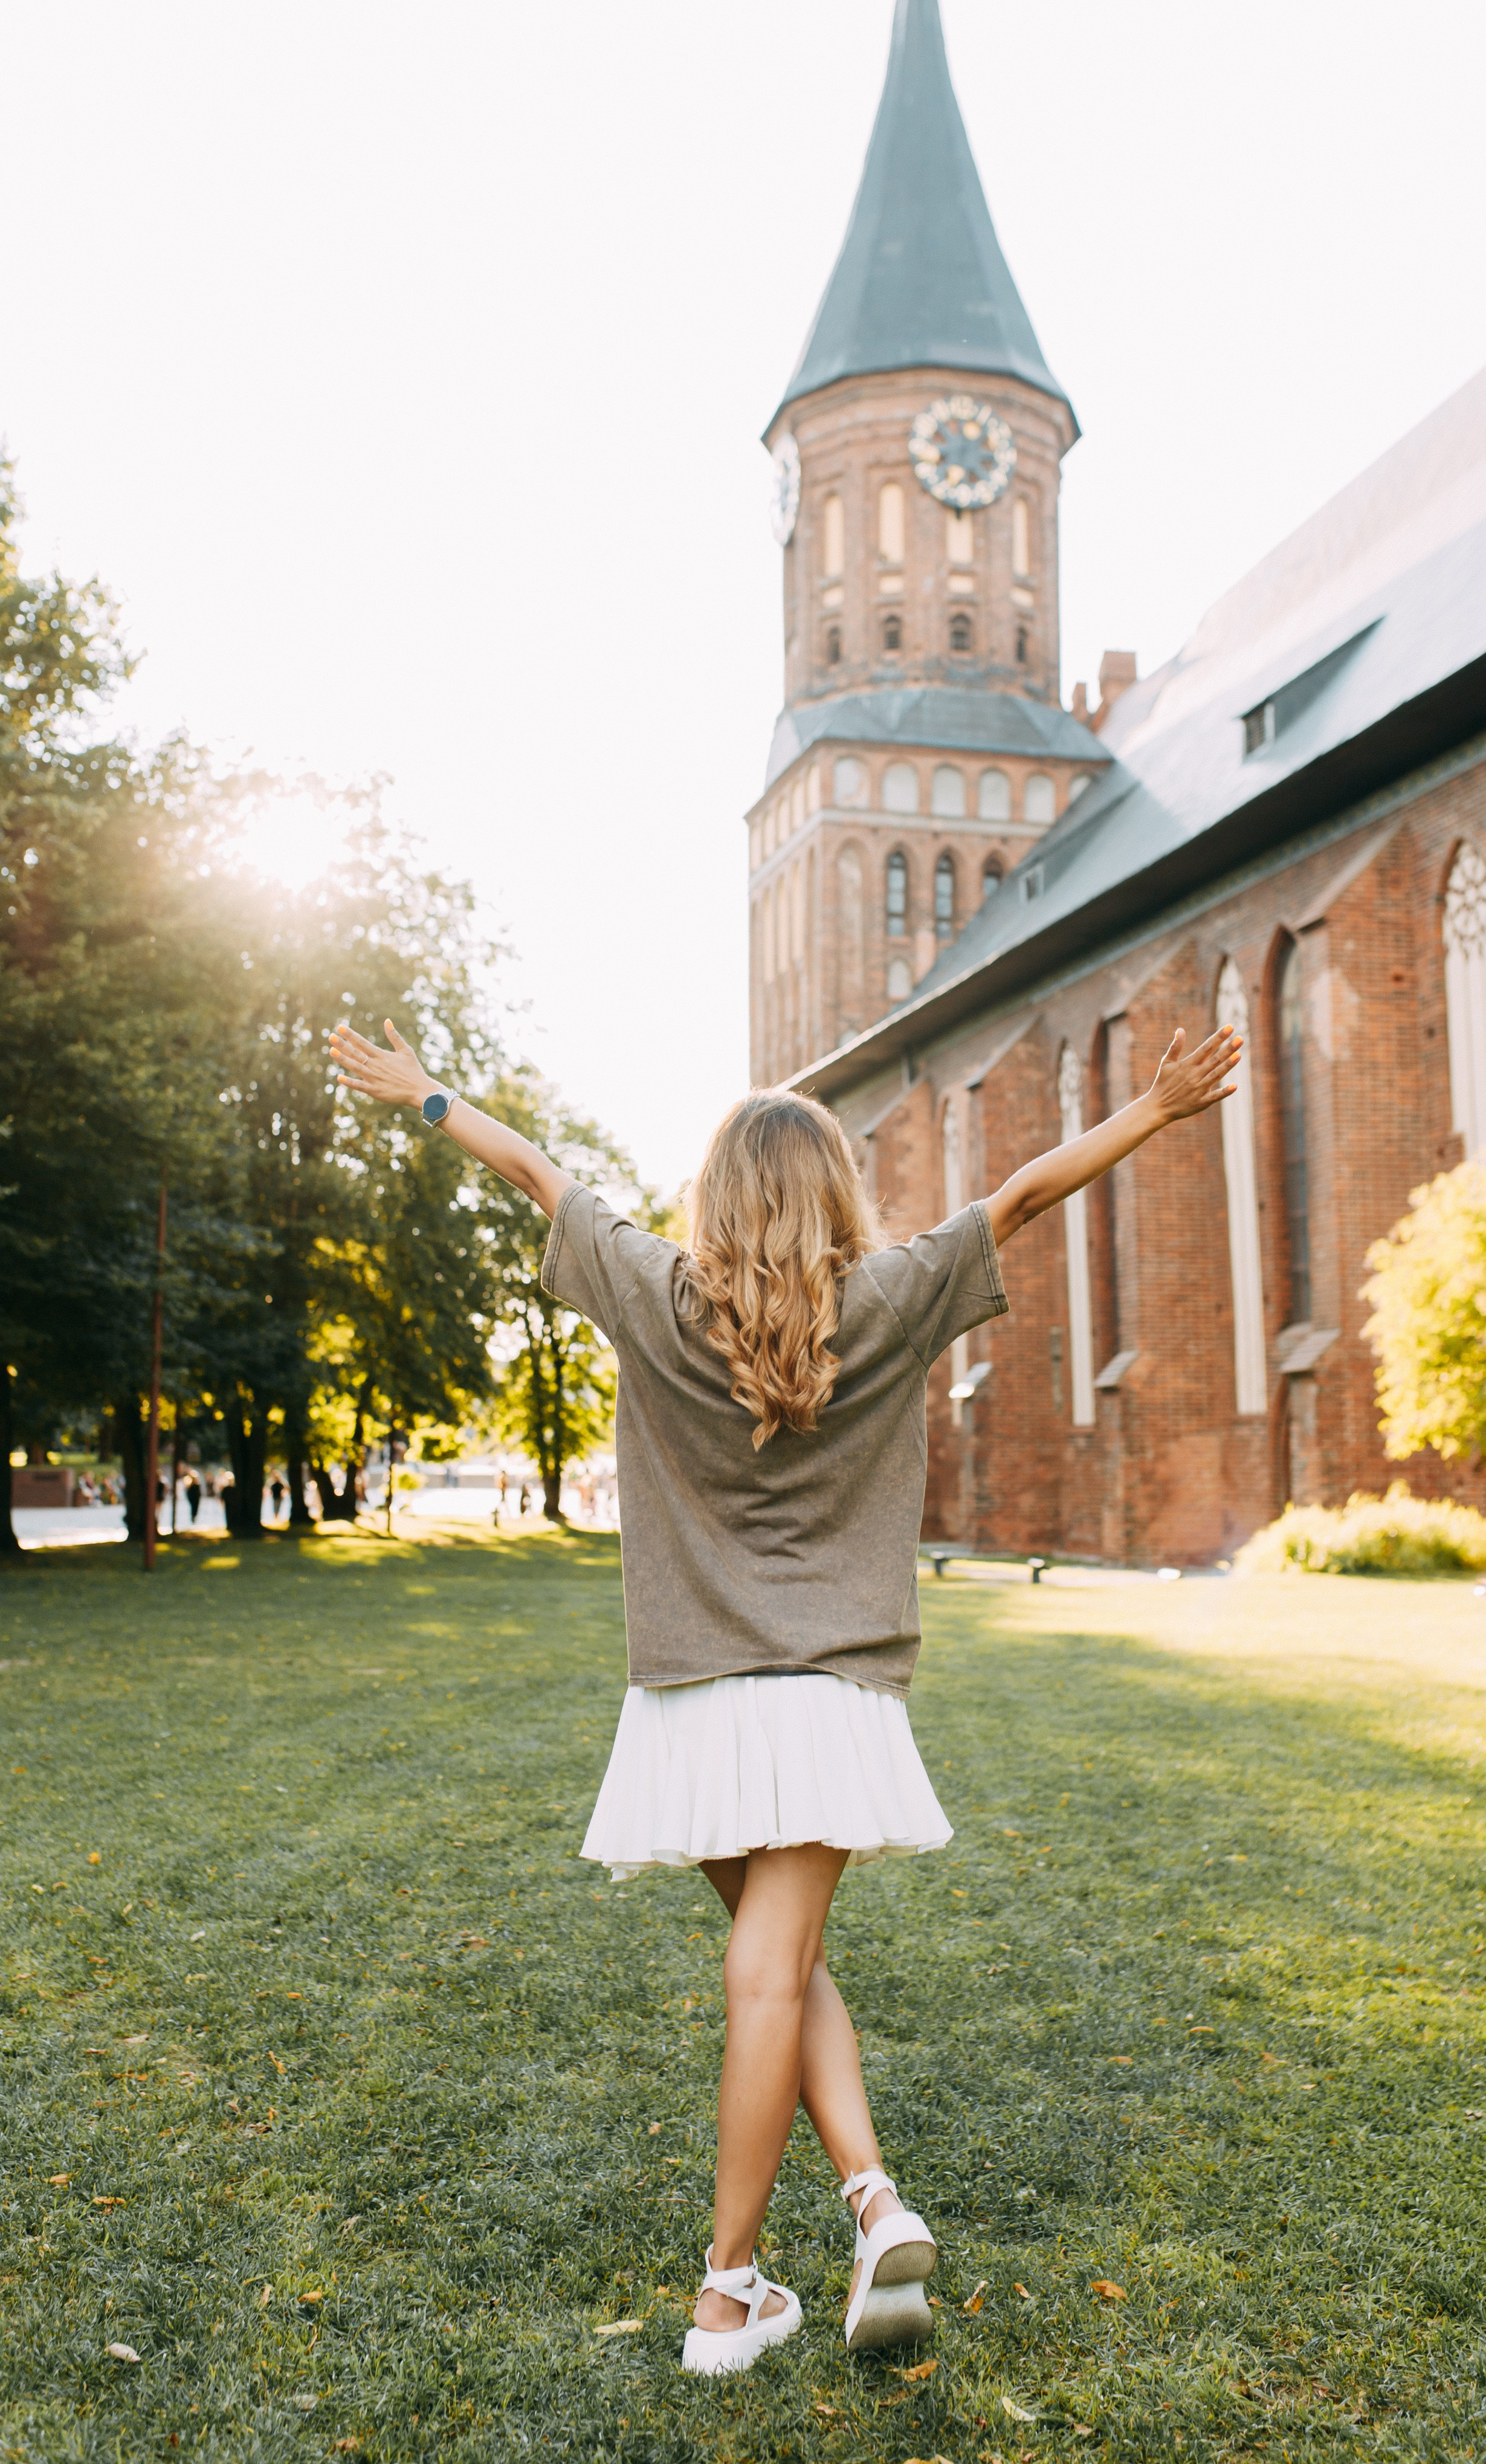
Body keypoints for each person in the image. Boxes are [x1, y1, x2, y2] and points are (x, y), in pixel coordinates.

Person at [329, 1011, 1238, 2376]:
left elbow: (533, 1172)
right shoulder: (891, 1297)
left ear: (715, 1196)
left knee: (768, 1967)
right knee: (783, 1965)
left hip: (690, 1705)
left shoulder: (654, 1291)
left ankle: (737, 2286)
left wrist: (424, 1096)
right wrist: (1153, 1112)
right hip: (828, 1700)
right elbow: (1023, 1195)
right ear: (832, 1196)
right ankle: (853, 2216)